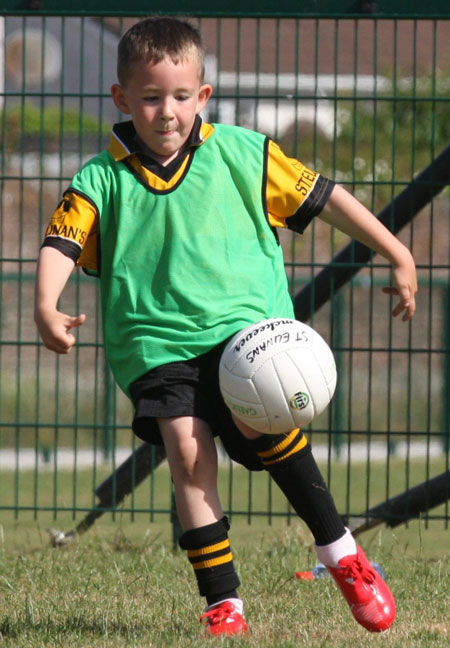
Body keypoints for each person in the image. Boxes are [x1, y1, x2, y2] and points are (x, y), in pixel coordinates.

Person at [34, 16, 417, 637]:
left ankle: (342, 554)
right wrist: (45, 304)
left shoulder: (243, 152)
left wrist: (397, 252)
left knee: (265, 430)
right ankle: (224, 603)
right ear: (122, 99)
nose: (166, 112)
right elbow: (61, 242)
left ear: (203, 96)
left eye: (181, 96)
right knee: (188, 450)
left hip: (249, 337)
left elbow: (327, 197)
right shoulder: (100, 179)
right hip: (157, 346)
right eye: (151, 97)